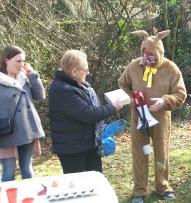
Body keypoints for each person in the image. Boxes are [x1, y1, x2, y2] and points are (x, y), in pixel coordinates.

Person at [118, 30, 187, 203]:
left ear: (159, 53)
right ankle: (139, 189)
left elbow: (180, 93)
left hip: (160, 118)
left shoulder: (171, 69)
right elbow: (122, 83)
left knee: (161, 152)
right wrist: (131, 97)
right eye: (145, 56)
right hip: (138, 117)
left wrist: (165, 101)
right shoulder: (134, 66)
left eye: (152, 57)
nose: (148, 61)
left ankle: (162, 186)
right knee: (140, 152)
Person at [48, 50, 123, 174]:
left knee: (95, 181)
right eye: (85, 70)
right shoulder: (62, 90)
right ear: (74, 71)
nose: (88, 73)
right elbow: (88, 114)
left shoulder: (80, 86)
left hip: (89, 144)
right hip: (72, 149)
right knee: (76, 186)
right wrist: (112, 108)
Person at [0, 45, 45, 182]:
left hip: (27, 130)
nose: (21, 65)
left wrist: (32, 75)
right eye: (18, 61)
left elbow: (40, 95)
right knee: (8, 172)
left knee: (27, 169)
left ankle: (30, 199)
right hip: (5, 132)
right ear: (7, 60)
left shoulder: (24, 78)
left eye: (23, 61)